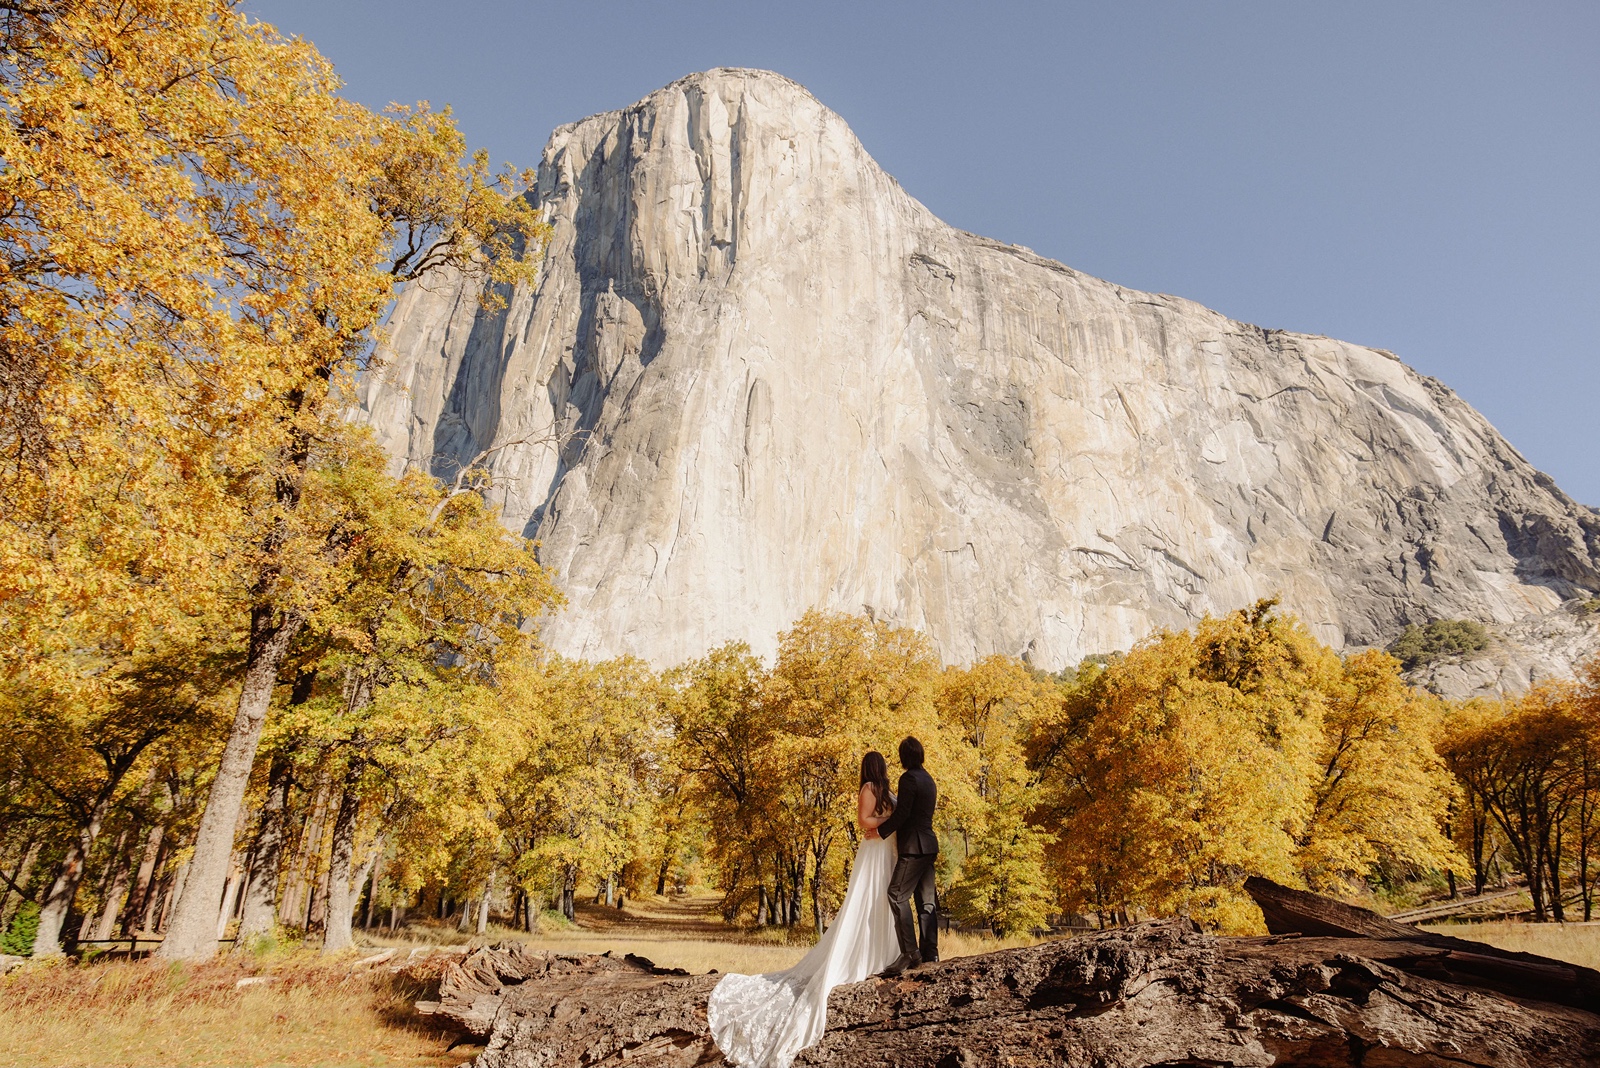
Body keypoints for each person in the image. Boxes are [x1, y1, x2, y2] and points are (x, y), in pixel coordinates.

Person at [707, 751, 902, 1068]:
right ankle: (855, 956)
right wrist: (885, 822)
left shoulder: (888, 791)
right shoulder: (868, 789)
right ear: (876, 768)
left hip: (886, 854)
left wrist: (890, 824)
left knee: (883, 906)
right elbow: (863, 822)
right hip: (872, 854)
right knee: (864, 904)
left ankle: (881, 955)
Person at [871, 735, 939, 975]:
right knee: (926, 902)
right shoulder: (929, 779)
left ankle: (909, 952)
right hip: (929, 845)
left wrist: (879, 831)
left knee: (896, 895)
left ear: (903, 757)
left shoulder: (908, 779)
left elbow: (903, 815)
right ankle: (931, 953)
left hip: (913, 847)